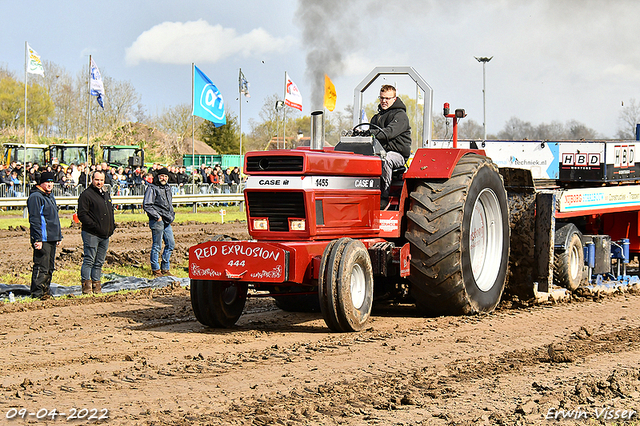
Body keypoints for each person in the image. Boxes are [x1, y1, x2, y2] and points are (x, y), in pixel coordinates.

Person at [369, 84, 412, 209]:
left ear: (394, 99)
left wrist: (371, 133)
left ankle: (383, 196)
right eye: (382, 98)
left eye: (387, 98)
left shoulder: (400, 116)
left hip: (397, 154)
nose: (384, 101)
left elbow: (388, 133)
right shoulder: (376, 118)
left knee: (386, 159)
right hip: (378, 152)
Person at [77, 171, 115, 294]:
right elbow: (82, 214)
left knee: (99, 261)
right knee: (89, 259)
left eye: (102, 180)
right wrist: (94, 226)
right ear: (92, 179)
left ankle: (96, 286)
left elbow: (110, 211)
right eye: (97, 180)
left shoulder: (105, 194)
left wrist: (112, 226)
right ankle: (86, 287)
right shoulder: (86, 195)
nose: (99, 182)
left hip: (105, 234)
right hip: (91, 233)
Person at [27, 172, 63, 299]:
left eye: (52, 182)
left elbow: (54, 219)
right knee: (41, 266)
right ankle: (37, 293)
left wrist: (58, 236)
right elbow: (35, 220)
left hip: (52, 237)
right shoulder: (36, 197)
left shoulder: (49, 196)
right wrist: (37, 239)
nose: (50, 184)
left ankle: (45, 291)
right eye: (47, 182)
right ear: (41, 183)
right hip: (43, 238)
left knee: (49, 267)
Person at [142, 167, 175, 277]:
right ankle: (155, 269)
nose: (164, 178)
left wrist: (171, 215)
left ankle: (165, 267)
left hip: (167, 220)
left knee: (170, 244)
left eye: (165, 176)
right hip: (157, 220)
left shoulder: (168, 188)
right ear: (158, 176)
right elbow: (147, 205)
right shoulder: (152, 188)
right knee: (157, 246)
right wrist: (157, 217)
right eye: (162, 176)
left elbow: (169, 204)